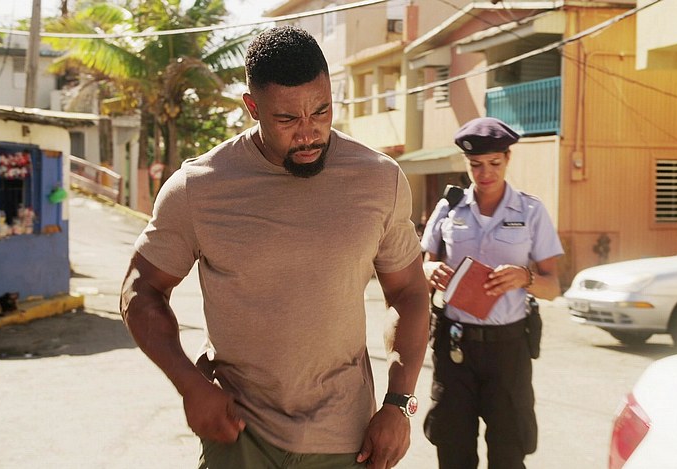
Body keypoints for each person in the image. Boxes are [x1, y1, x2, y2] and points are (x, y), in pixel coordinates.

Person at [119, 25, 429, 469]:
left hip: (345, 440)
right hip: (239, 436)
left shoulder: (378, 179)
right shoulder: (199, 187)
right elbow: (140, 289)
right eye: (286, 119)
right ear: (252, 107)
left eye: (321, 111)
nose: (308, 133)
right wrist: (189, 384)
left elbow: (409, 292)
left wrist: (399, 404)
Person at [420, 117, 564, 469]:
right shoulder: (448, 208)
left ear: (508, 158)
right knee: (453, 452)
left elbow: (553, 287)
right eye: (475, 165)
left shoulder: (531, 211)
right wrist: (427, 271)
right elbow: (422, 269)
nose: (485, 173)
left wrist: (523, 277)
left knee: (508, 454)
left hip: (508, 351)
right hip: (455, 347)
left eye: (494, 163)